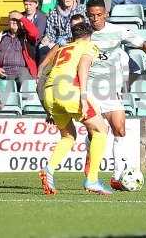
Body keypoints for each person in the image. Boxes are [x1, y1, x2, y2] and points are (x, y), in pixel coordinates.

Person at [85, 0, 146, 190]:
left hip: (111, 90)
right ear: (87, 15)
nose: (95, 19)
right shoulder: (84, 35)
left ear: (106, 14)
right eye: (91, 16)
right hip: (90, 89)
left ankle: (117, 175)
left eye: (99, 15)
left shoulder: (117, 31)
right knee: (96, 133)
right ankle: (91, 165)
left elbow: (142, 42)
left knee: (120, 130)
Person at [39, 22, 112, 195]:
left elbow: (44, 71)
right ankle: (92, 179)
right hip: (69, 92)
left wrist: (47, 106)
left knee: (68, 136)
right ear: (89, 35)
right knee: (101, 130)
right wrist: (84, 96)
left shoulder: (62, 48)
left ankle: (49, 169)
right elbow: (84, 66)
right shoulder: (88, 45)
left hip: (49, 92)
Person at [0, 10, 39, 89]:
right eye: (12, 19)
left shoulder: (26, 36)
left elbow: (35, 33)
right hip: (2, 72)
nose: (14, 21)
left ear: (20, 22)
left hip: (20, 71)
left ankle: (26, 99)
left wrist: (21, 18)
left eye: (16, 19)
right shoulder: (0, 36)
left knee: (24, 75)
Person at [22, 0, 47, 65]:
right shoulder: (21, 15)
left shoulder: (41, 17)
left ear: (36, 4)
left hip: (35, 44)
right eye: (26, 4)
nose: (28, 7)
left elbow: (38, 35)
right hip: (22, 43)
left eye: (30, 4)